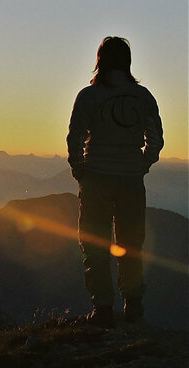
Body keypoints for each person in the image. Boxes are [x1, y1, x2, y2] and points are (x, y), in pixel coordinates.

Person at [66, 36, 164, 328]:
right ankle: (133, 306)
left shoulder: (88, 96)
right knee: (131, 243)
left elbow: (75, 136)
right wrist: (143, 163)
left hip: (96, 176)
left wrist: (78, 167)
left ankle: (103, 309)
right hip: (132, 179)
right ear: (128, 62)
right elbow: (155, 138)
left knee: (95, 243)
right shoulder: (143, 96)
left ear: (100, 61)